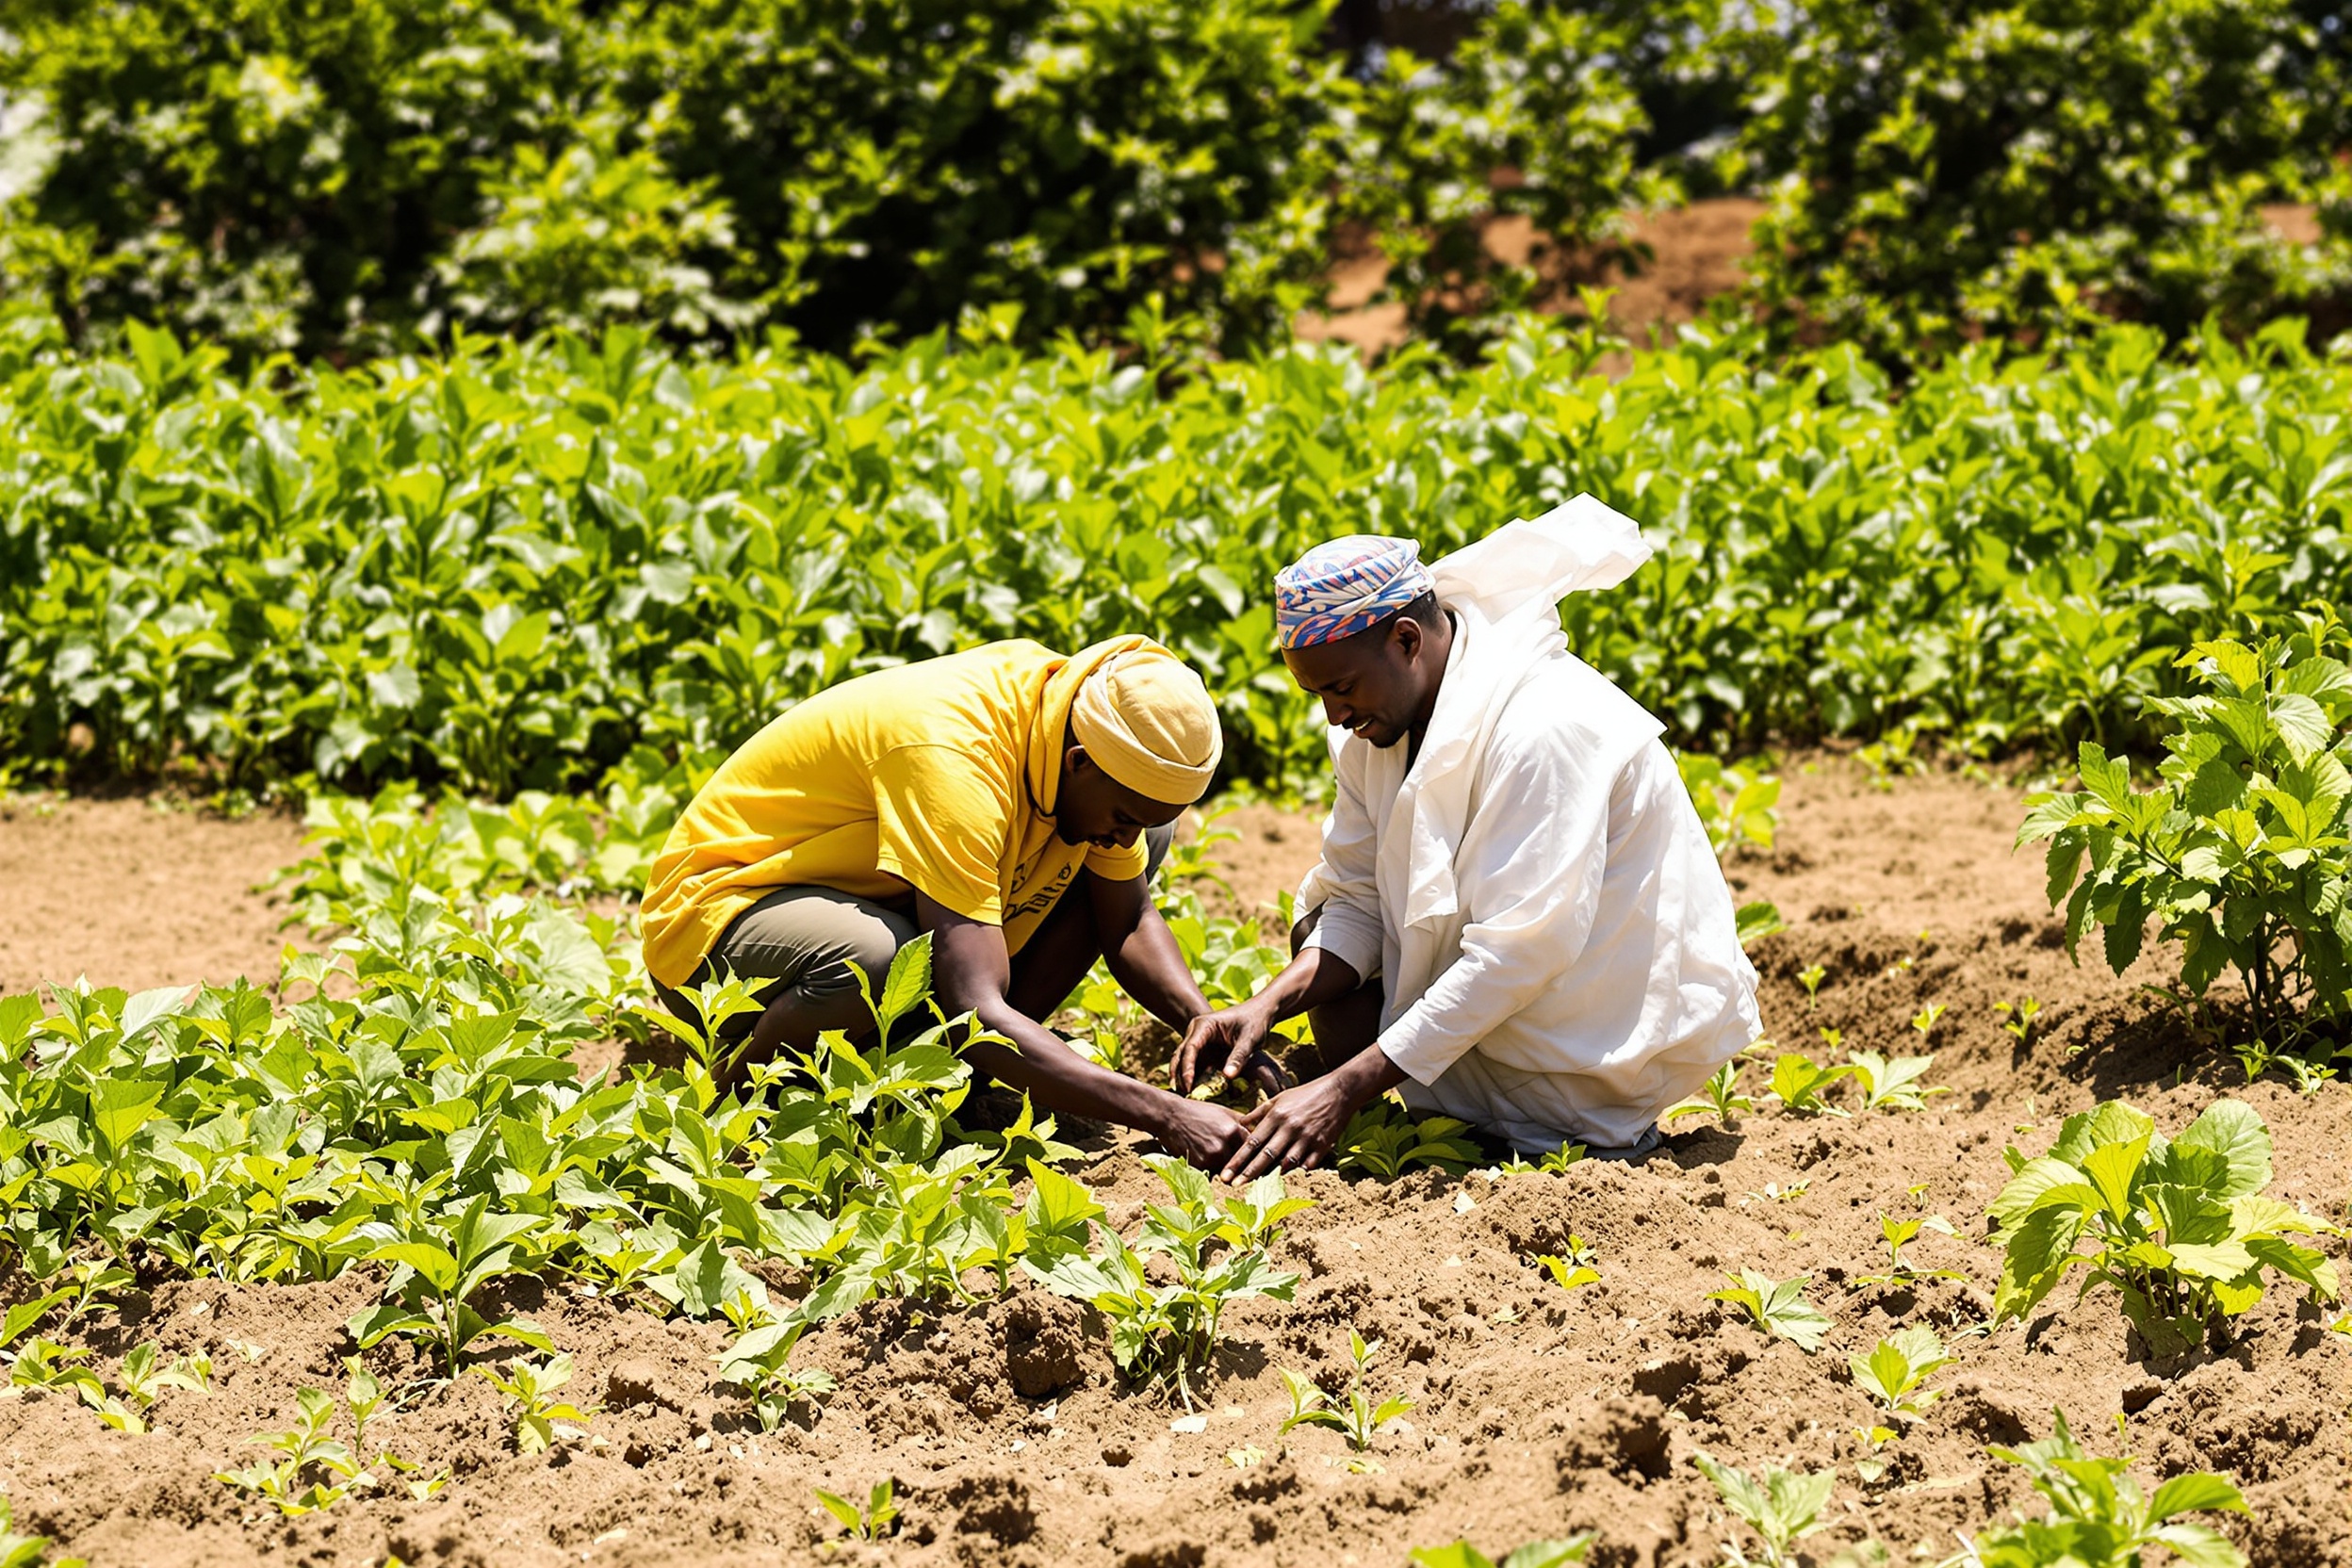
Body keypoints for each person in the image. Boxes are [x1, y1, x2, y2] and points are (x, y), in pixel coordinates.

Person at [1172, 496, 1762, 1181]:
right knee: (1317, 930)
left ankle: (1539, 1130)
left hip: (1581, 1042)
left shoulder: (1545, 727)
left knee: (1533, 1104)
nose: (1334, 716)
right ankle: (1423, 1111)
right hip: (1480, 1004)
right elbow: (1358, 899)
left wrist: (1340, 1089)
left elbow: (1518, 955)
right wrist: (1266, 1005)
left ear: (1406, 641)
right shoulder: (1380, 727)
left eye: (1342, 688)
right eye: (1318, 696)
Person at [641, 635, 1260, 1168]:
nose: (1124, 838)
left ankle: (951, 1077)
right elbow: (975, 1008)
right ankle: (744, 1101)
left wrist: (1203, 1021)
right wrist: (1163, 1113)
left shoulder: (1074, 731)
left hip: (865, 899)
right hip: (723, 919)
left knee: (1145, 843)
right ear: (1078, 763)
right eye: (1123, 816)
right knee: (873, 959)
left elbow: (1127, 918)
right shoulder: (956, 758)